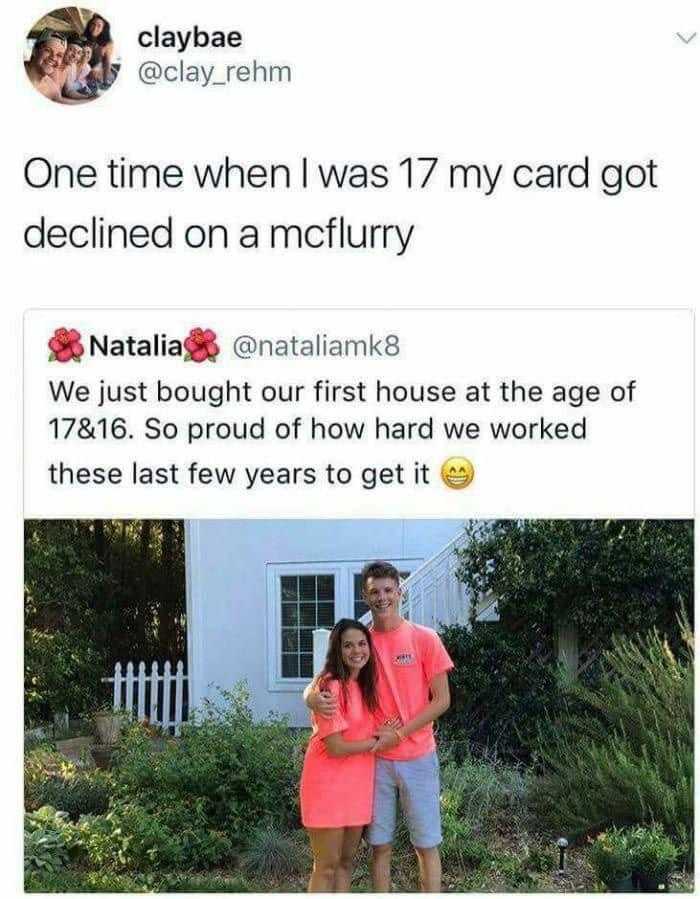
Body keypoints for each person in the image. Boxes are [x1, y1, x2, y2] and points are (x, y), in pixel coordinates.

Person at [305, 561, 454, 892]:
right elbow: (328, 678)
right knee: (380, 847)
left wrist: (399, 733)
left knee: (426, 845)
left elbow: (442, 700)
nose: (382, 597)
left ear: (400, 592)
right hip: (375, 762)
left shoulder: (425, 639)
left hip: (417, 757)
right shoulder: (362, 643)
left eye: (388, 590)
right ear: (365, 596)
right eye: (374, 591)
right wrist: (310, 696)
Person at [300, 618, 399, 892]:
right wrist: (376, 742)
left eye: (362, 643)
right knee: (326, 866)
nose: (357, 651)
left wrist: (385, 733)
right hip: (327, 785)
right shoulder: (329, 686)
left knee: (346, 863)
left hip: (357, 786)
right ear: (338, 650)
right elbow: (336, 746)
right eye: (348, 645)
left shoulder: (366, 686)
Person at [83, 14, 115, 86]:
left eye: (99, 26)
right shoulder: (84, 38)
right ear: (89, 25)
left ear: (103, 29)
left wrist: (105, 80)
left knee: (94, 73)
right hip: (83, 69)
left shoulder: (108, 43)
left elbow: (107, 62)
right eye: (93, 24)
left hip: (98, 70)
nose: (95, 28)